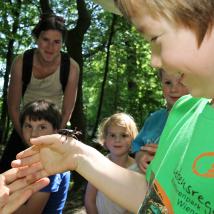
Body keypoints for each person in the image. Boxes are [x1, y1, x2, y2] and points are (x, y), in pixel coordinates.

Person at [12, 0, 214, 213]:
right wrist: (79, 156)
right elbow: (159, 200)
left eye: (156, 38)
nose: (155, 61)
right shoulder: (183, 111)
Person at [0, 13, 79, 173]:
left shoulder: (71, 67)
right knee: (6, 173)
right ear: (37, 39)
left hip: (54, 128)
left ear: (62, 43)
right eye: (45, 40)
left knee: (45, 179)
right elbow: (13, 106)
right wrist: (24, 135)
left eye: (56, 42)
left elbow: (67, 110)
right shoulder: (22, 62)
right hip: (24, 126)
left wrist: (53, 137)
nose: (50, 47)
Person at [14, 99, 70, 214]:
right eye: (28, 126)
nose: (33, 133)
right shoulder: (32, 157)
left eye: (42, 127)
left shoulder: (51, 166)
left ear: (55, 130)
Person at [132, 69, 189, 173]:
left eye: (181, 83)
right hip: (143, 177)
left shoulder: (198, 120)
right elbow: (137, 145)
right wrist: (140, 156)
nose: (174, 89)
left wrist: (168, 156)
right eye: (168, 83)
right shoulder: (153, 119)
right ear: (161, 85)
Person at [84, 113, 139, 214]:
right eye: (112, 135)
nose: (117, 140)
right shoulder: (98, 165)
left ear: (133, 140)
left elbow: (137, 203)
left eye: (124, 135)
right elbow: (89, 200)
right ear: (105, 140)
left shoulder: (138, 169)